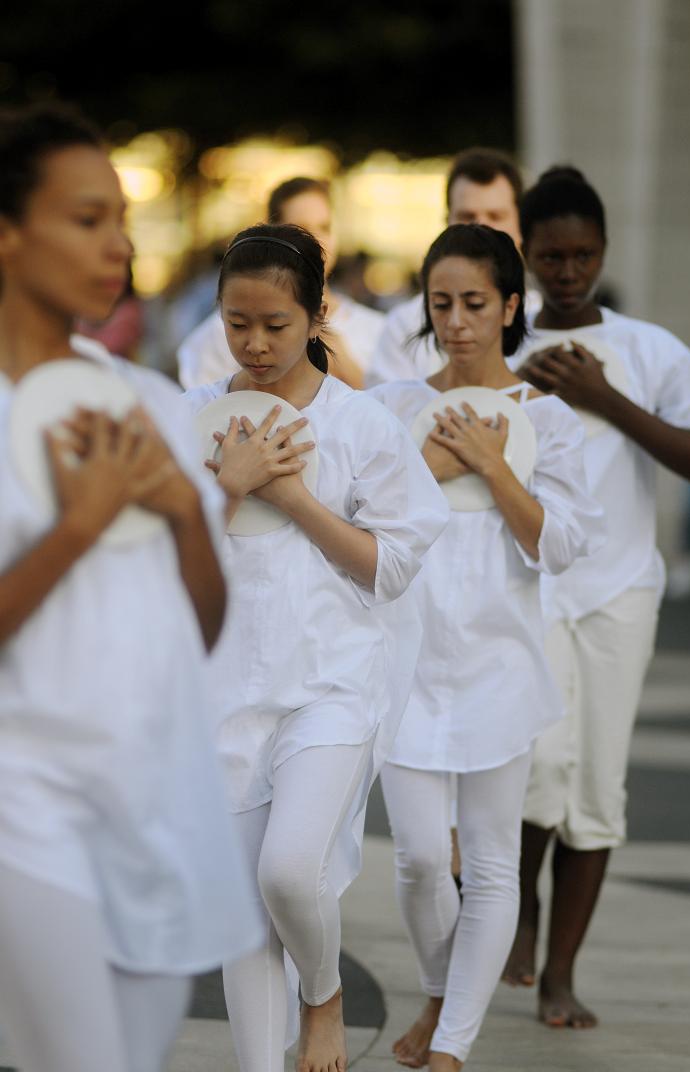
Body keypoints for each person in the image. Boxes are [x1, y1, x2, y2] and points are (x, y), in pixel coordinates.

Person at [0, 103, 256, 1072]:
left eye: (121, 218)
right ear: (8, 235)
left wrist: (185, 513)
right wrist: (78, 525)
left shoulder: (146, 400)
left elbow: (203, 622)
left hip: (156, 798)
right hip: (23, 794)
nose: (118, 244)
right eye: (85, 217)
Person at [182, 222, 448, 1072]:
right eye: (236, 323)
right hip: (225, 693)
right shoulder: (191, 422)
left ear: (318, 314)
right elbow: (160, 567)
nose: (255, 344)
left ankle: (323, 996)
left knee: (289, 873)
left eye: (276, 325)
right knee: (244, 918)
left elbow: (395, 562)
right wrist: (228, 489)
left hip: (332, 686)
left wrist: (288, 494)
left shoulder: (362, 424)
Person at [369, 223, 603, 1072]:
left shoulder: (549, 420)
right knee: (424, 860)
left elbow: (566, 544)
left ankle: (453, 1047)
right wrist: (435, 466)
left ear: (511, 306)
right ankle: (441, 992)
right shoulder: (390, 409)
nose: (458, 321)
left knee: (494, 862)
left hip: (501, 665)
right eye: (441, 304)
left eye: (475, 303)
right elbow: (366, 525)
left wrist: (495, 467)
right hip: (406, 666)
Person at [502, 166, 690, 1028]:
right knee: (538, 768)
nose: (567, 272)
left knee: (597, 786)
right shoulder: (502, 350)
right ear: (526, 255)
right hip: (531, 590)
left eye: (583, 255)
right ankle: (519, 917)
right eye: (551, 256)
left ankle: (561, 974)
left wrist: (603, 398)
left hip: (622, 592)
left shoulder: (651, 350)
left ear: (604, 253)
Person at [177, 177, 384, 389]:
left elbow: (393, 412)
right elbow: (203, 412)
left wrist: (344, 366)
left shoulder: (377, 329)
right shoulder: (218, 334)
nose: (317, 241)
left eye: (324, 227)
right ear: (273, 232)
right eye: (300, 229)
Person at [368, 147, 527, 386]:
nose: (482, 228)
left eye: (495, 216)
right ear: (447, 221)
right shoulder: (404, 326)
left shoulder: (542, 320)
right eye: (467, 216)